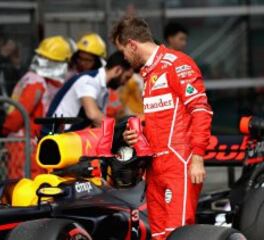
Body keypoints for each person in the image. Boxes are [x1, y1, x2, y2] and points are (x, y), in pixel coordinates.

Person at [111, 16, 213, 239]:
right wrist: (137, 135)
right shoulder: (148, 75)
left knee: (179, 233)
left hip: (180, 163)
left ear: (132, 45)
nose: (124, 58)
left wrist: (197, 157)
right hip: (154, 167)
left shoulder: (178, 64)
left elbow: (200, 110)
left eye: (124, 51)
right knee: (159, 235)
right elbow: (162, 119)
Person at [2, 35, 72, 179]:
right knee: (23, 182)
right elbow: (19, 113)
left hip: (26, 140)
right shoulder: (36, 83)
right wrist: (7, 129)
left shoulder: (34, 79)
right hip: (23, 141)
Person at [44, 51, 133, 132]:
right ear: (117, 70)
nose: (125, 83)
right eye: (126, 77)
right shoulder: (88, 80)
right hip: (54, 136)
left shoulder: (103, 89)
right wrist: (119, 130)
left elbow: (99, 122)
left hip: (70, 137)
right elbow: (93, 114)